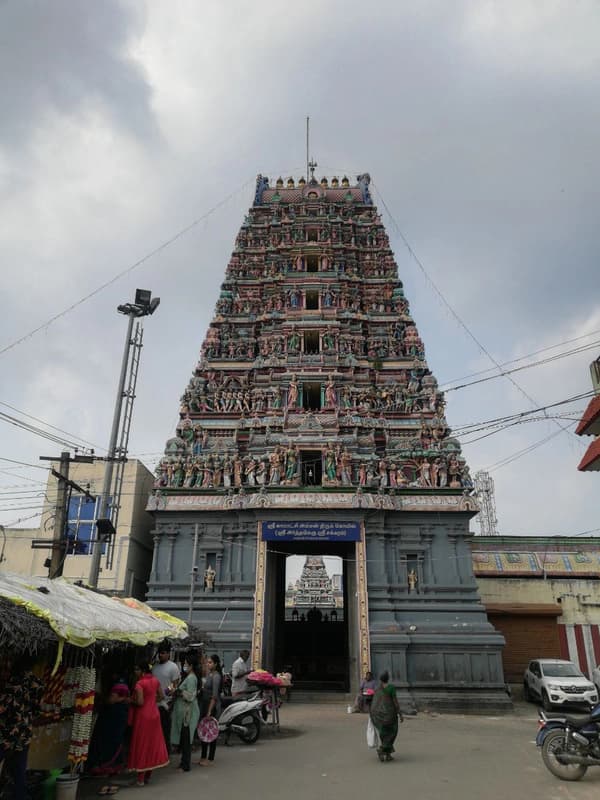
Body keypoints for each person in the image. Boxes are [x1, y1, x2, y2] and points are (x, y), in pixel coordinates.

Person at [0, 654, 43, 800]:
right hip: (24, 733)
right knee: (19, 771)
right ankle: (19, 796)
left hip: (6, 733)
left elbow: (3, 708)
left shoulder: (12, 683)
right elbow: (37, 711)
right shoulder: (38, 683)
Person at [127, 662, 169, 786]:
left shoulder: (139, 683)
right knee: (151, 744)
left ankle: (140, 779)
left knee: (142, 745)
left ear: (143, 671)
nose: (135, 672)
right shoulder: (155, 681)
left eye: (137, 669)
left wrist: (131, 700)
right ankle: (147, 776)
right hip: (154, 714)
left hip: (143, 716)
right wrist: (151, 701)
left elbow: (139, 702)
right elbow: (161, 696)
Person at [87, 675, 131, 778]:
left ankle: (104, 766)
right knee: (115, 740)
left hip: (113, 720)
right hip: (119, 720)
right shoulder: (125, 692)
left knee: (108, 741)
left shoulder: (117, 690)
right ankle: (113, 766)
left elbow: (111, 701)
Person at [170, 656, 200, 773]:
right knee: (184, 739)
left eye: (186, 664)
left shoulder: (192, 678)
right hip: (183, 713)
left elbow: (190, 696)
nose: (184, 666)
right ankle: (183, 762)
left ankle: (185, 765)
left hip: (187, 714)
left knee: (186, 740)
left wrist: (177, 691)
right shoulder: (188, 677)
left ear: (191, 666)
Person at [369, 670, 403, 762]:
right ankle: (381, 750)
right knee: (392, 732)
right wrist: (400, 713)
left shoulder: (378, 688)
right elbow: (395, 702)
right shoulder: (391, 688)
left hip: (380, 716)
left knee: (384, 733)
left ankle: (388, 755)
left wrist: (373, 714)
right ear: (388, 678)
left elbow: (375, 703)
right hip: (390, 715)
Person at [152, 645, 180, 751]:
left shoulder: (173, 667)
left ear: (168, 654)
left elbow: (174, 684)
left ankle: (165, 752)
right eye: (160, 653)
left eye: (163, 653)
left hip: (165, 703)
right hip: (153, 703)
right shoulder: (154, 667)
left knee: (165, 729)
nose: (161, 655)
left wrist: (164, 694)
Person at [196, 655, 222, 766]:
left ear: (216, 664)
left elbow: (215, 696)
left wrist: (209, 711)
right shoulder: (209, 674)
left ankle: (210, 758)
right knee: (204, 731)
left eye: (210, 662)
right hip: (204, 704)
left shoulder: (216, 676)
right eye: (207, 662)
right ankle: (203, 757)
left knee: (211, 732)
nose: (208, 664)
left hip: (212, 707)